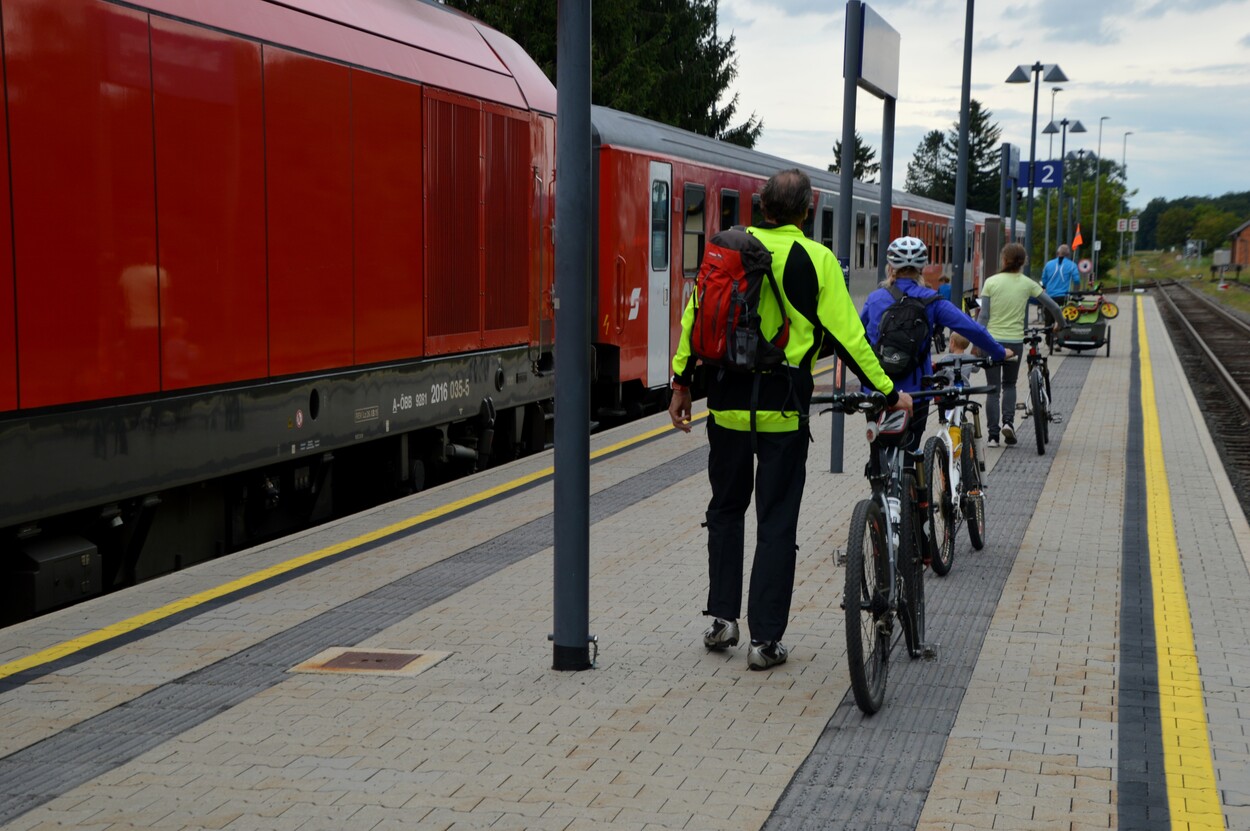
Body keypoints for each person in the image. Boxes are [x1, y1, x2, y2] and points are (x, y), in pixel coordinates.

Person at [668, 168, 912, 672]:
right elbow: (849, 338)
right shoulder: (817, 259)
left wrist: (681, 382)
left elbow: (696, 317)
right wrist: (888, 392)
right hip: (781, 413)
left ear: (762, 206)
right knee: (775, 521)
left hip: (727, 407)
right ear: (808, 208)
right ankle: (765, 641)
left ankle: (722, 620)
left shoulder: (727, 247)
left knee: (725, 510)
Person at [859, 236, 1010, 452]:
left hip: (877, 389)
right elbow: (972, 328)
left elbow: (855, 338)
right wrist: (999, 352)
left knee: (879, 448)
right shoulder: (932, 300)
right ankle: (911, 477)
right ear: (921, 268)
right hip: (916, 391)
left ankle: (878, 478)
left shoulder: (875, 299)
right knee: (911, 449)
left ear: (890, 267)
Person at [978, 242, 1064, 447]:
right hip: (1014, 343)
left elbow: (984, 316)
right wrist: (1061, 324)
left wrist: (976, 341)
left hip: (991, 342)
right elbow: (1052, 306)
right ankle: (1008, 422)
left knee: (993, 389)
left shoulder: (990, 282)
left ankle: (992, 436)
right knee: (1009, 384)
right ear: (1023, 262)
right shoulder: (1028, 283)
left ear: (1004, 260)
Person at [1040, 244, 1081, 349]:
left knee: (1048, 319)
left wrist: (1045, 286)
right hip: (1064, 297)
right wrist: (1076, 291)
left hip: (1049, 297)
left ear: (1058, 253)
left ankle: (1049, 342)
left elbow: (1044, 280)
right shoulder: (1072, 265)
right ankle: (1059, 341)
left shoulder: (1049, 264)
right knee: (1062, 318)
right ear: (1068, 254)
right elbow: (1076, 280)